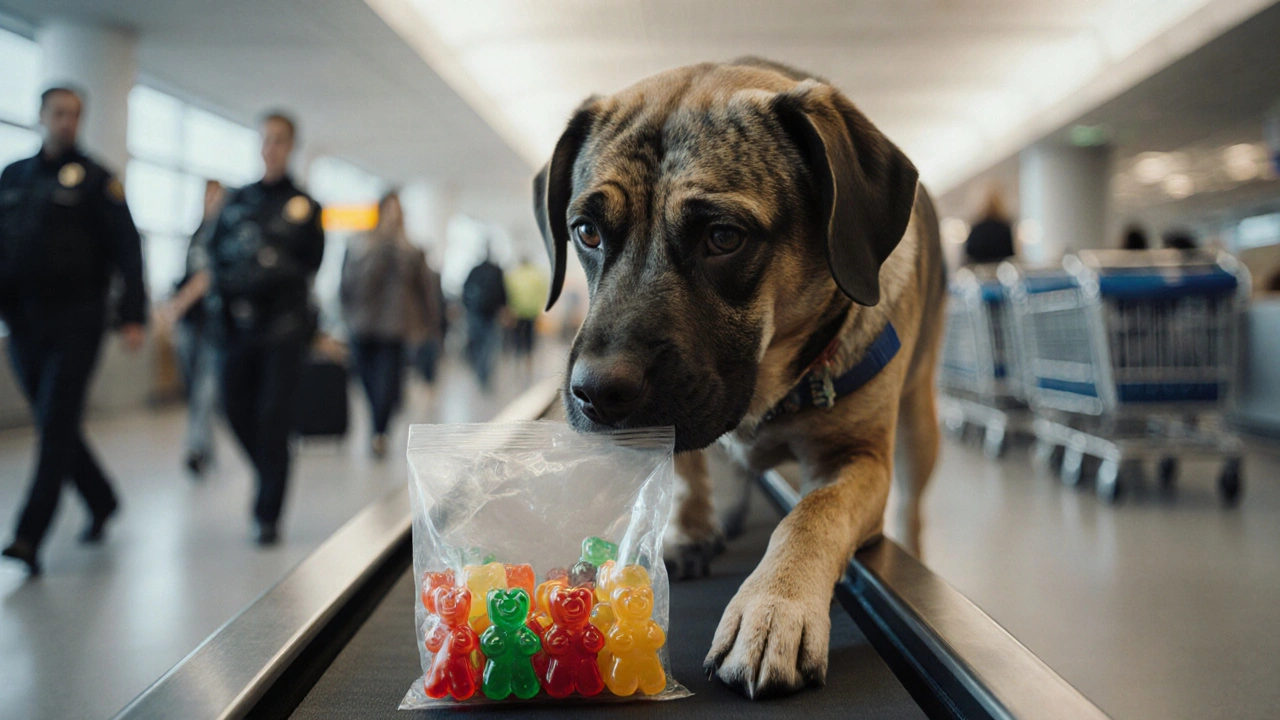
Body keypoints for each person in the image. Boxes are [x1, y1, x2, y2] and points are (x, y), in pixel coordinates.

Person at [0, 87, 147, 575]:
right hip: (23, 321)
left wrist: (132, 314)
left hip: (78, 319)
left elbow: (128, 249)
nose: (66, 122)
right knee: (53, 421)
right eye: (58, 114)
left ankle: (28, 535)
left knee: (56, 420)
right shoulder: (14, 176)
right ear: (41, 116)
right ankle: (102, 500)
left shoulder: (98, 180)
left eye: (74, 115)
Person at [205, 112, 324, 546]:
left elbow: (311, 264)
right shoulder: (236, 201)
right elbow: (214, 252)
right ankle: (270, 471)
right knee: (233, 407)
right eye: (266, 140)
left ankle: (267, 512)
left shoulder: (305, 206)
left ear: (291, 146)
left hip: (284, 329)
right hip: (237, 327)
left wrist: (271, 272)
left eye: (280, 140)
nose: (271, 147)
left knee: (274, 418)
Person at [339, 191, 437, 458]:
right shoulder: (360, 245)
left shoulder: (411, 250)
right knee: (367, 381)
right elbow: (347, 284)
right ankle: (377, 425)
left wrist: (429, 325)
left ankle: (379, 431)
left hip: (395, 328)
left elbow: (424, 289)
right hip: (362, 326)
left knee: (388, 384)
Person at [159, 179, 225, 477]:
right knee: (194, 389)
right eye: (208, 197)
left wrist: (179, 304)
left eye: (217, 197)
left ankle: (197, 449)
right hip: (190, 325)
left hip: (214, 326)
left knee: (206, 391)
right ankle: (204, 449)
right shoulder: (197, 235)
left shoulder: (226, 237)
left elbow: (206, 277)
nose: (212, 202)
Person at [462, 251, 507, 390]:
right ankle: (484, 371)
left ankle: (481, 371)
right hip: (491, 314)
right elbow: (503, 292)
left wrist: (468, 307)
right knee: (489, 345)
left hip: (476, 313)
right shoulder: (497, 271)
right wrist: (504, 308)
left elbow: (465, 290)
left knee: (479, 343)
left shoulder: (475, 270)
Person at [504, 256, 548, 369]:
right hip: (532, 311)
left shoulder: (514, 275)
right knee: (530, 336)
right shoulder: (536, 275)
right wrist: (540, 307)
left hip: (517, 312)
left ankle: (518, 359)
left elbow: (508, 293)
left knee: (518, 337)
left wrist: (510, 308)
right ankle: (529, 360)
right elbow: (543, 291)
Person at [963, 189, 1015, 264]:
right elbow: (1010, 255)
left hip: (978, 272)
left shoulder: (976, 229)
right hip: (1000, 271)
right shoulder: (1005, 229)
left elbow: (968, 255)